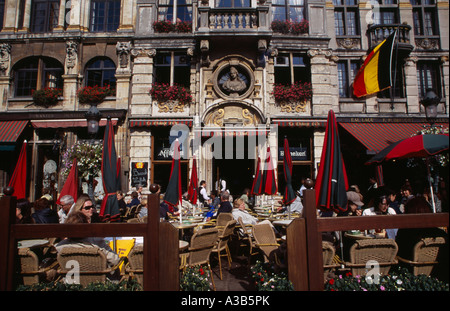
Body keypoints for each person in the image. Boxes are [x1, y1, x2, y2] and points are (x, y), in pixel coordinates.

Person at [395, 199, 448, 281]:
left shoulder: (405, 233)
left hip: (411, 273)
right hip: (438, 273)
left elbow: (399, 252)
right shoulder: (440, 234)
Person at [55, 212, 120, 268]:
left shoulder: (61, 246)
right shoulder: (97, 242)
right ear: (86, 227)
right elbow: (115, 260)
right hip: (99, 279)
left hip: (71, 280)